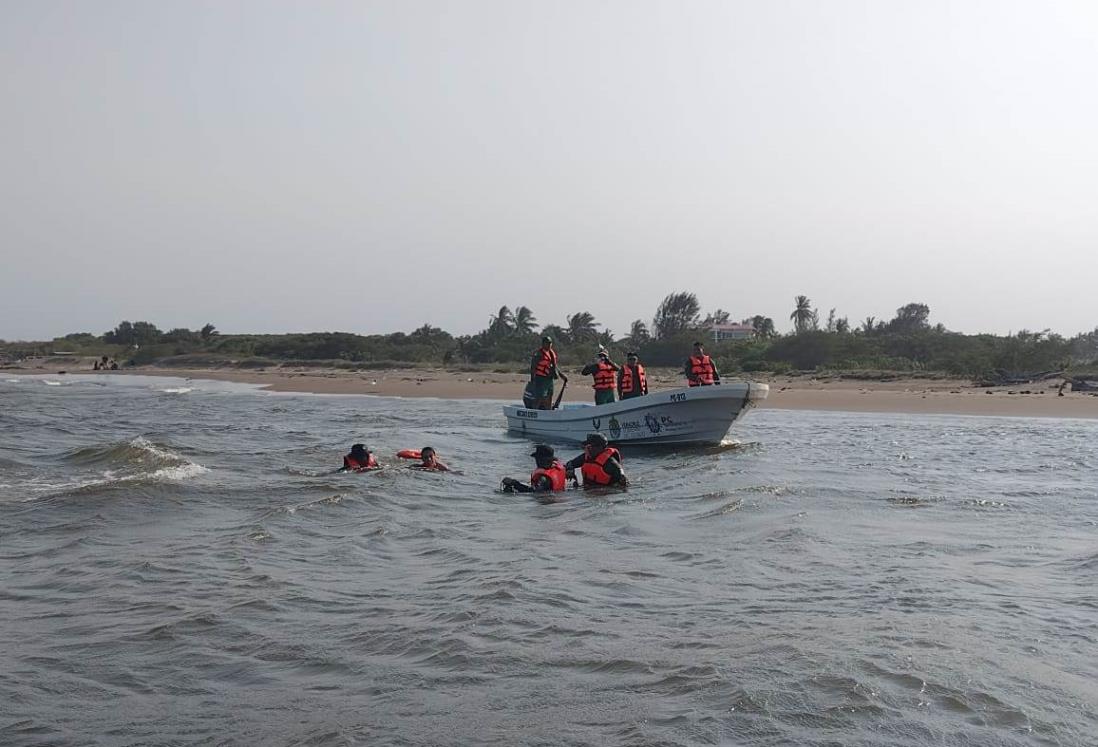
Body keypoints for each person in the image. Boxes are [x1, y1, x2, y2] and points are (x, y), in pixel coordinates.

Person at [501, 444, 569, 493]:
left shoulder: (544, 478)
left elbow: (534, 493)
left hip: (547, 503)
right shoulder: (557, 467)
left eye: (537, 459)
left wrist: (515, 484)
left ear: (541, 460)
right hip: (559, 498)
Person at [529, 336, 565, 410]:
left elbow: (554, 366)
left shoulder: (551, 353)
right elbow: (533, 367)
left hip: (549, 379)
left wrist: (562, 375)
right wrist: (533, 379)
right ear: (543, 344)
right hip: (540, 378)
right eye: (547, 343)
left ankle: (548, 411)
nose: (549, 345)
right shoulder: (538, 354)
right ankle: (534, 411)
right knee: (539, 396)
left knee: (550, 395)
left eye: (550, 343)